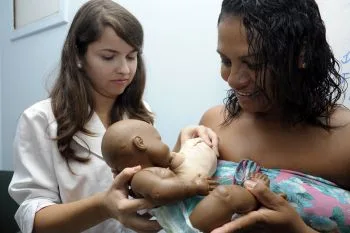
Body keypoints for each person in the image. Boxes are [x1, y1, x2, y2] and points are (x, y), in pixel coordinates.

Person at [7, 1, 218, 233]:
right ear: (78, 56)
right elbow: (33, 218)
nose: (125, 69)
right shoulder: (40, 119)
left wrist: (182, 145)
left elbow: (153, 179)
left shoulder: (140, 113)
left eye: (131, 56)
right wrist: (103, 206)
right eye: (109, 57)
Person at [195, 0, 350, 232]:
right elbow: (173, 208)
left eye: (254, 64)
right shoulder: (213, 125)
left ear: (302, 54)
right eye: (226, 61)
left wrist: (299, 229)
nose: (233, 79)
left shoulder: (345, 139)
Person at [101, 119, 273, 233]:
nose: (164, 144)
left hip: (193, 215)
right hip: (187, 223)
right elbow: (159, 191)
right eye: (159, 139)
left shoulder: (155, 169)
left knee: (228, 197)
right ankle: (258, 198)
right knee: (225, 195)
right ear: (140, 143)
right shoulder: (140, 177)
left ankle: (256, 199)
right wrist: (193, 187)